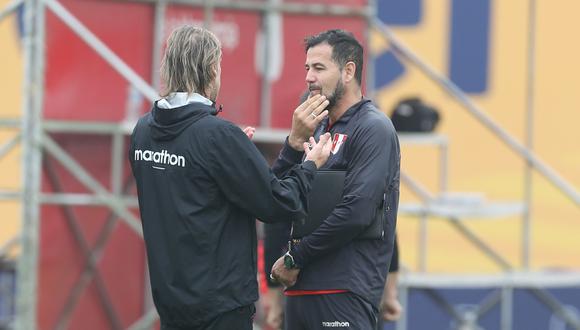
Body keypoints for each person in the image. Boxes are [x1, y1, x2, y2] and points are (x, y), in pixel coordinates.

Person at [128, 25, 333, 330]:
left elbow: (190, 182)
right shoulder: (217, 137)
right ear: (212, 69)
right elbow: (278, 204)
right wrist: (308, 163)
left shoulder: (143, 132)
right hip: (220, 306)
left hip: (171, 302)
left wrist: (233, 156)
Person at [270, 29, 401, 329]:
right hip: (300, 291)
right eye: (306, 68)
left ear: (348, 71)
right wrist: (292, 144)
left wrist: (295, 258)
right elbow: (275, 200)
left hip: (344, 292)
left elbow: (357, 211)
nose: (308, 77)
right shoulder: (313, 129)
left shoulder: (373, 128)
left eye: (318, 68)